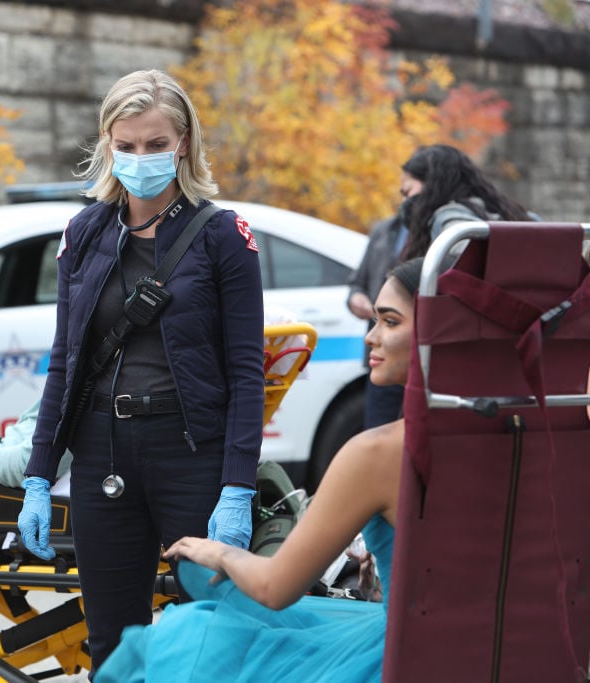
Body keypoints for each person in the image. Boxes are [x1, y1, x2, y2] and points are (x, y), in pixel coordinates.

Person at [17, 69, 266, 672]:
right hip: (103, 451)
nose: (140, 157)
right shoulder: (85, 231)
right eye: (125, 145)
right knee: (112, 640)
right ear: (107, 143)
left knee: (209, 635)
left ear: (183, 143)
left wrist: (237, 484)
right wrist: (38, 475)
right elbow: (65, 360)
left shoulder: (222, 235)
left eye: (155, 144)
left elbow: (246, 369)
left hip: (189, 452)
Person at [96, 257, 425, 683]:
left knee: (190, 631)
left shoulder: (376, 453)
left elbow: (275, 588)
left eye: (390, 322)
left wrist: (221, 553)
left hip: (403, 658)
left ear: (440, 335)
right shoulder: (526, 437)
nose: (371, 338)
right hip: (507, 652)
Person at [346, 170, 421, 429]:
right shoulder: (384, 230)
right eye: (402, 190)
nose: (405, 197)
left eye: (410, 190)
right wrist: (356, 298)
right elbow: (357, 281)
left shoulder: (443, 232)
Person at [398, 144, 530, 261]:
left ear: (431, 184)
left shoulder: (450, 219)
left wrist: (406, 277)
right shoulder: (517, 216)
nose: (404, 201)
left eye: (407, 191)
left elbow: (468, 261)